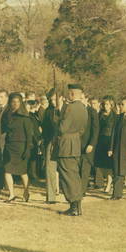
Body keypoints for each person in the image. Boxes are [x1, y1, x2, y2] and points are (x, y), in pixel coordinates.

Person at [56, 84, 88, 216]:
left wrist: (57, 115)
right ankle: (77, 205)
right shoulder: (83, 108)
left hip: (66, 145)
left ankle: (74, 205)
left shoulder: (70, 108)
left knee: (68, 176)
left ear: (72, 94)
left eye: (69, 93)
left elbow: (62, 128)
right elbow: (82, 130)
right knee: (74, 176)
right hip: (75, 144)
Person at [1, 92, 33, 202]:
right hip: (9, 146)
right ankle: (11, 194)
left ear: (21, 103)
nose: (15, 104)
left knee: (22, 172)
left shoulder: (25, 118)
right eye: (13, 102)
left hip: (21, 147)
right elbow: (3, 131)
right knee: (7, 170)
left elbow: (29, 136)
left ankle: (26, 191)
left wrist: (27, 149)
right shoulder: (7, 116)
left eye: (17, 102)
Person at [42, 88, 62, 204]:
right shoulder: (48, 111)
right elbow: (45, 128)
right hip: (50, 142)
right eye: (51, 100)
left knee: (66, 169)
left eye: (55, 99)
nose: (53, 102)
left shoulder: (66, 110)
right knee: (50, 169)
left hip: (64, 142)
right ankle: (51, 197)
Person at [94, 96, 117, 193]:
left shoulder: (115, 116)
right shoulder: (100, 115)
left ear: (111, 105)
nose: (105, 106)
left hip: (110, 140)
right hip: (101, 140)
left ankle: (109, 183)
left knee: (109, 165)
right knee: (101, 164)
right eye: (104, 104)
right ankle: (105, 181)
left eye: (107, 104)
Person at [80, 92, 99, 194]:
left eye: (82, 98)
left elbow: (95, 130)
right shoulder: (76, 111)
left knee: (85, 169)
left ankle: (82, 191)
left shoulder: (92, 112)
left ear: (86, 99)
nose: (80, 100)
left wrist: (91, 144)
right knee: (78, 169)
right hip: (77, 145)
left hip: (87, 146)